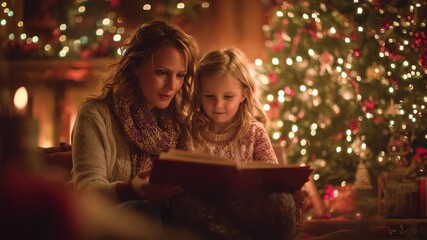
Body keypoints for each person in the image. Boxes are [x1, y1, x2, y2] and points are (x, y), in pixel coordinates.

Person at [167, 48, 303, 240]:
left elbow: (274, 178)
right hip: (208, 215)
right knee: (181, 204)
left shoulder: (254, 131)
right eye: (209, 96)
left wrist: (290, 194)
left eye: (228, 97)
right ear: (199, 94)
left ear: (244, 94)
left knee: (282, 201)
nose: (218, 105)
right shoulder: (188, 130)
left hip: (248, 214)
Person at [70, 20, 199, 221]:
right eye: (161, 72)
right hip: (107, 221)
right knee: (143, 211)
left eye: (180, 75)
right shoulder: (96, 115)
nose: (172, 85)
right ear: (136, 66)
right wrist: (132, 190)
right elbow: (87, 191)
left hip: (166, 219)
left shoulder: (179, 124)